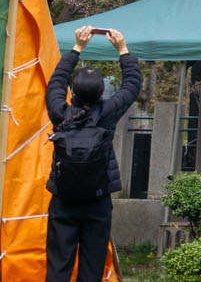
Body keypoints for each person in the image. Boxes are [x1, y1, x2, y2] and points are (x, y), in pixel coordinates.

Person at [45, 26, 139, 282]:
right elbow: (132, 85)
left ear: (72, 92)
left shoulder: (58, 112)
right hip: (98, 201)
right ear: (101, 93)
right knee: (92, 267)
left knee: (57, 265)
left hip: (63, 200)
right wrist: (123, 50)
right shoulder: (108, 113)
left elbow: (54, 81)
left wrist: (76, 48)